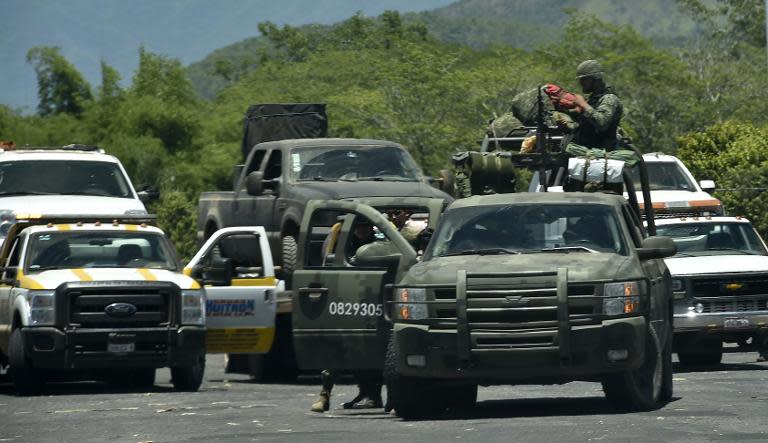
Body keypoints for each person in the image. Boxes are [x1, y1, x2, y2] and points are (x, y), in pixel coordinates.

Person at [569, 60, 623, 150]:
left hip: (602, 154)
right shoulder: (593, 99)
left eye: (584, 79)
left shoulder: (609, 98)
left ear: (595, 79)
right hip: (587, 151)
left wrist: (583, 105)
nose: (581, 83)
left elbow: (602, 123)